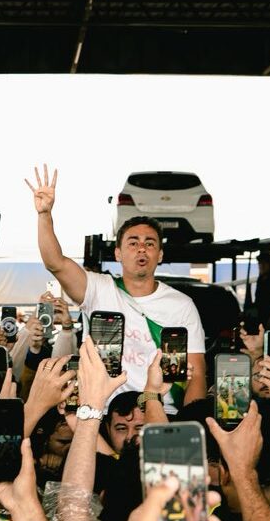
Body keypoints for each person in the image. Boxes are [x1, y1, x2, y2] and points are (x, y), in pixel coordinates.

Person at [28, 165, 208, 410]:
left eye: (150, 243)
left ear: (160, 255)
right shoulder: (98, 289)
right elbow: (55, 263)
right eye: (133, 243)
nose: (141, 248)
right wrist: (44, 215)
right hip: (102, 413)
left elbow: (196, 374)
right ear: (118, 253)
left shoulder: (182, 306)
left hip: (162, 413)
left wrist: (189, 421)